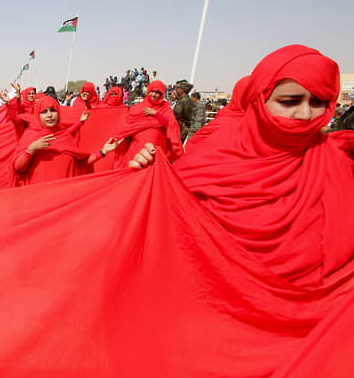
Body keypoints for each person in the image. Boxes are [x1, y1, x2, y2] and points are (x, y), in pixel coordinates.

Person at [128, 44, 353, 286]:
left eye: (319, 101)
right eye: (290, 101)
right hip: (213, 307)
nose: (305, 114)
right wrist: (147, 182)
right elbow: (165, 234)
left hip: (312, 316)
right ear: (258, 99)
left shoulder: (339, 163)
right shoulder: (211, 156)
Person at [12, 95, 120, 184]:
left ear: (58, 113)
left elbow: (81, 163)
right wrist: (31, 149)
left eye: (53, 110)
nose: (49, 115)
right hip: (40, 196)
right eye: (44, 112)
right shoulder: (31, 136)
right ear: (37, 115)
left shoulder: (65, 136)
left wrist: (103, 152)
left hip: (66, 193)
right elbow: (18, 168)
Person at [111, 80, 182, 169]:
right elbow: (128, 126)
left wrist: (155, 113)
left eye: (157, 92)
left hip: (155, 148)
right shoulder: (137, 108)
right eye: (152, 91)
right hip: (136, 147)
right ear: (148, 91)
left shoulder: (165, 107)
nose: (154, 95)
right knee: (133, 170)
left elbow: (170, 124)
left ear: (161, 94)